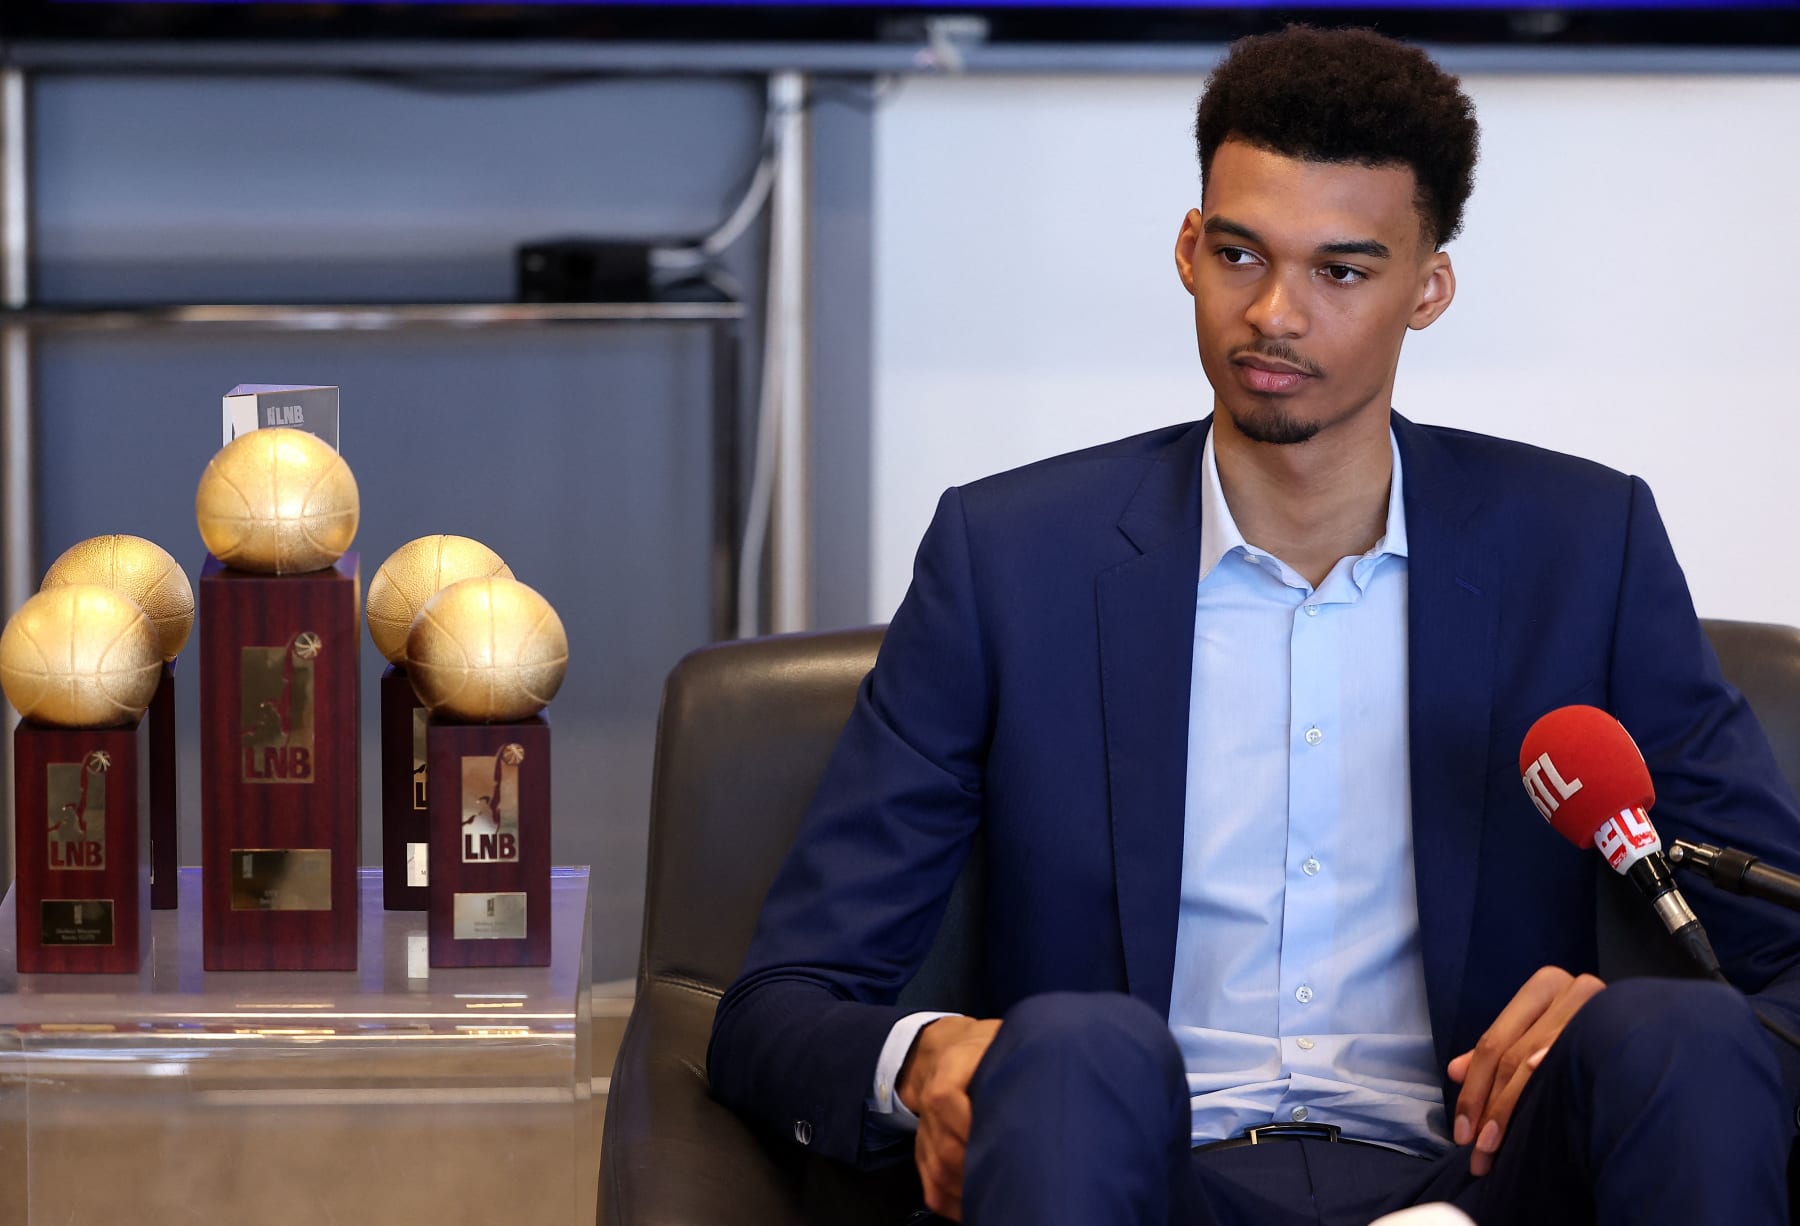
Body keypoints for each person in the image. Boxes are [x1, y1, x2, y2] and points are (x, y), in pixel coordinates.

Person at [708, 25, 1800, 1225]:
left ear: (1426, 289)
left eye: (1341, 271)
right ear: (1188, 249)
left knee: (1681, 1031)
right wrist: (925, 1064)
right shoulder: (1010, 559)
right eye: (1240, 253)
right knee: (1070, 1047)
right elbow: (781, 1001)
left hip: (1493, 1180)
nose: (1274, 313)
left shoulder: (1585, 550)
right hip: (1134, 1171)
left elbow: (1784, 965)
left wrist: (1608, 1015)